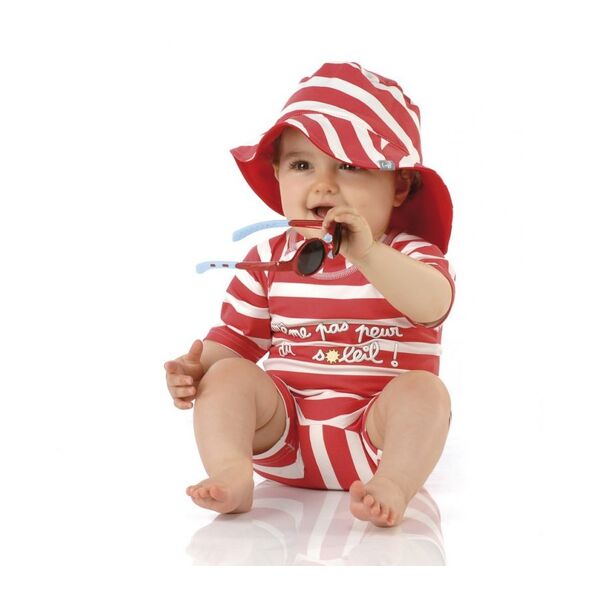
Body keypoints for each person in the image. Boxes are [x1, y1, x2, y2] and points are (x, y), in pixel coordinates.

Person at [164, 61, 456, 527]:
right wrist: (197, 370)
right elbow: (236, 342)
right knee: (228, 377)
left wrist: (368, 255)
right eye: (302, 165)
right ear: (278, 174)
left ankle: (394, 485)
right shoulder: (269, 259)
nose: (323, 184)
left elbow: (433, 304)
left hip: (376, 441)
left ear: (399, 184)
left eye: (349, 166)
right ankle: (232, 472)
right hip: (284, 435)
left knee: (426, 393)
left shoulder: (408, 255)